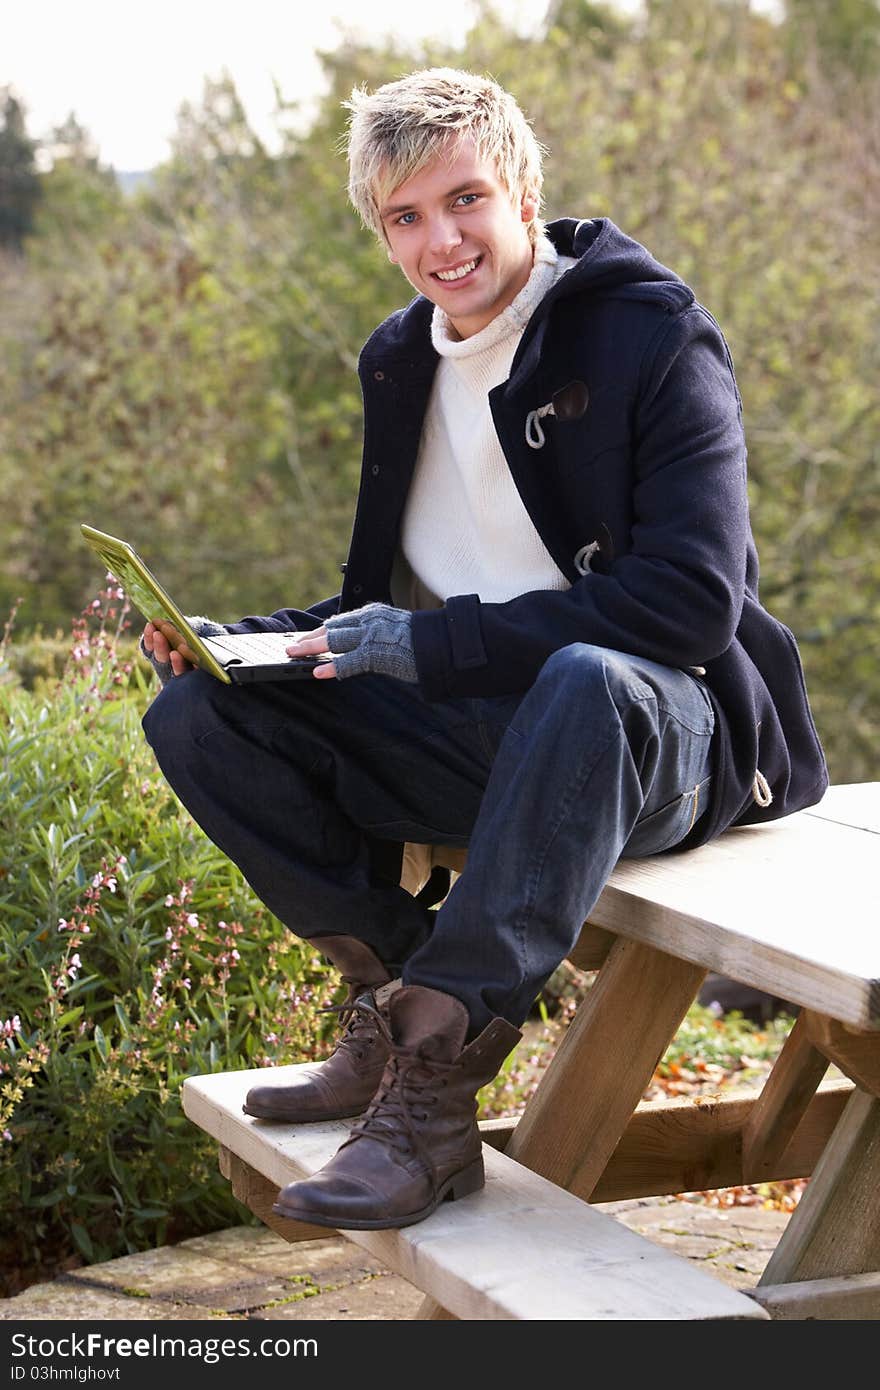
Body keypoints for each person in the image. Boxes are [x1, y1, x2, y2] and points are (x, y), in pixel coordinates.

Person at [140, 68, 828, 1232]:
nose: (440, 240)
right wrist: (234, 644)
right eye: (405, 217)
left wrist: (426, 645)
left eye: (463, 199)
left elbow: (691, 604)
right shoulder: (400, 357)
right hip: (492, 727)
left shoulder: (647, 331)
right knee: (200, 714)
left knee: (585, 677)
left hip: (663, 729)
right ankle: (395, 999)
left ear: (518, 189)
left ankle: (434, 1096)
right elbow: (393, 602)